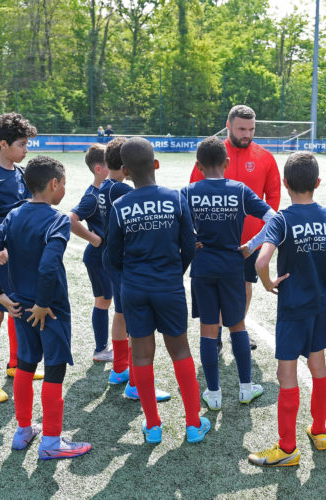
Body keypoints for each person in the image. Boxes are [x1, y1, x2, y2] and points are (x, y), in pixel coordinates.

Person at [247, 152, 326, 467]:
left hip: (292, 308)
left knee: (286, 374)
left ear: (285, 184)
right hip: (319, 306)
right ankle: (320, 430)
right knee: (319, 369)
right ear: (317, 183)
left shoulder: (282, 219)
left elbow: (261, 260)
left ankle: (287, 448)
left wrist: (267, 281)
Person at [107, 137, 210, 444]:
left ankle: (152, 427)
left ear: (124, 171)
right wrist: (173, 272)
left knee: (140, 356)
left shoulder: (119, 205)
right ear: (156, 164)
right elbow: (189, 246)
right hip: (169, 287)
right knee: (180, 350)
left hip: (135, 289)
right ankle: (193, 425)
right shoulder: (176, 197)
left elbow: (112, 256)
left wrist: (135, 275)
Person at [0, 155, 91, 459]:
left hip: (19, 306)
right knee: (54, 368)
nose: (64, 188)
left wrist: (1, 295)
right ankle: (51, 442)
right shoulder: (58, 219)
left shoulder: (12, 216)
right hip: (49, 309)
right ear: (54, 184)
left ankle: (23, 430)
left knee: (25, 363)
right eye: (63, 183)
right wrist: (42, 304)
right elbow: (49, 266)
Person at [182, 136, 276, 411]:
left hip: (203, 269)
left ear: (198, 165)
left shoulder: (187, 192)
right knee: (237, 325)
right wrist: (252, 244)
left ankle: (213, 394)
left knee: (208, 329)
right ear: (225, 163)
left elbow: (177, 230)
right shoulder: (240, 189)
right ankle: (246, 388)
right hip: (233, 267)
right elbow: (274, 218)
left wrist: (191, 240)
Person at [189, 105, 281, 352]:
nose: (247, 134)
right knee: (213, 287)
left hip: (249, 240)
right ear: (228, 126)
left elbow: (273, 198)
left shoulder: (265, 158)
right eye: (241, 128)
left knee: (244, 285)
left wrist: (260, 236)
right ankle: (216, 335)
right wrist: (197, 234)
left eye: (251, 129)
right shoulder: (213, 154)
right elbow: (194, 193)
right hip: (213, 239)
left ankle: (237, 328)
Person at [97, 137, 170, 402]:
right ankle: (136, 384)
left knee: (121, 314)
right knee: (136, 325)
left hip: (112, 259)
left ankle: (119, 369)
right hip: (130, 263)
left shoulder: (104, 186)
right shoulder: (125, 193)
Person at [0, 112, 42, 403]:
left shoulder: (21, 172)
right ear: (3, 144)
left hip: (19, 256)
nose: (27, 149)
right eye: (22, 144)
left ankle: (15, 364)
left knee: (17, 306)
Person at [69, 144, 113, 362]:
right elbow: (70, 219)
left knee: (105, 300)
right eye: (109, 163)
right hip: (97, 258)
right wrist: (93, 238)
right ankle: (100, 349)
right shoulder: (93, 196)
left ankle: (103, 347)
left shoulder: (105, 191)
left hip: (104, 257)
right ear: (98, 168)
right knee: (103, 301)